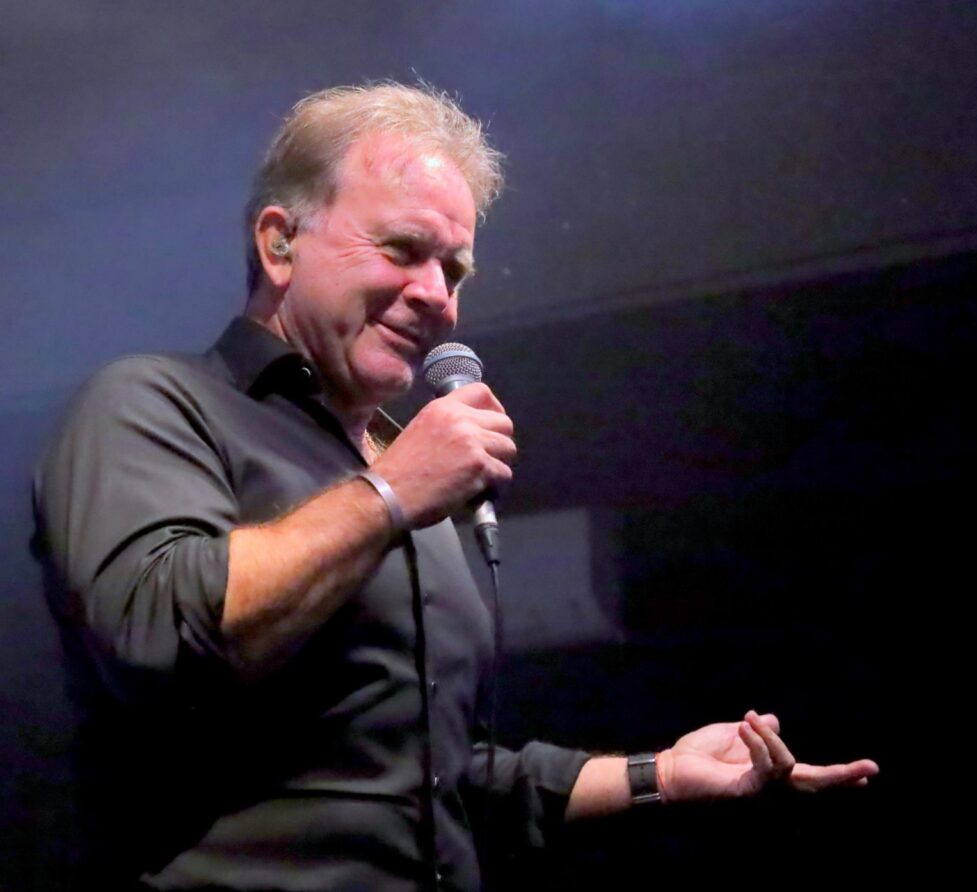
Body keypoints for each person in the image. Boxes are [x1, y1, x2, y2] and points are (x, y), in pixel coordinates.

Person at [32, 82, 878, 891]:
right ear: (279, 242)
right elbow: (154, 637)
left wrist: (660, 775)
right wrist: (389, 495)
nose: (437, 296)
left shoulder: (408, 477)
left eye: (455, 271)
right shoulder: (153, 403)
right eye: (403, 251)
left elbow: (442, 780)